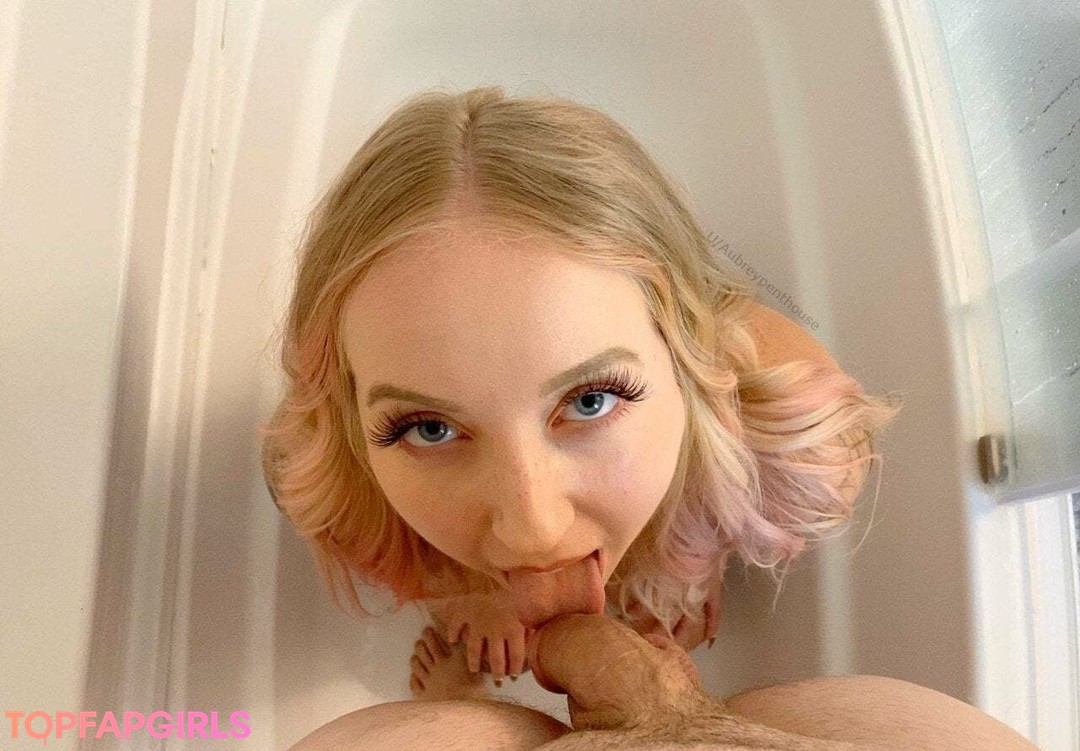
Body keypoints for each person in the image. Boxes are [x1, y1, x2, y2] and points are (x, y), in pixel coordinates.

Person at [260, 85, 940, 747]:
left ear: (687, 356)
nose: (533, 533)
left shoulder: (794, 436)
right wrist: (471, 593)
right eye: (429, 427)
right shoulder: (330, 474)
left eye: (591, 400)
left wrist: (692, 558)